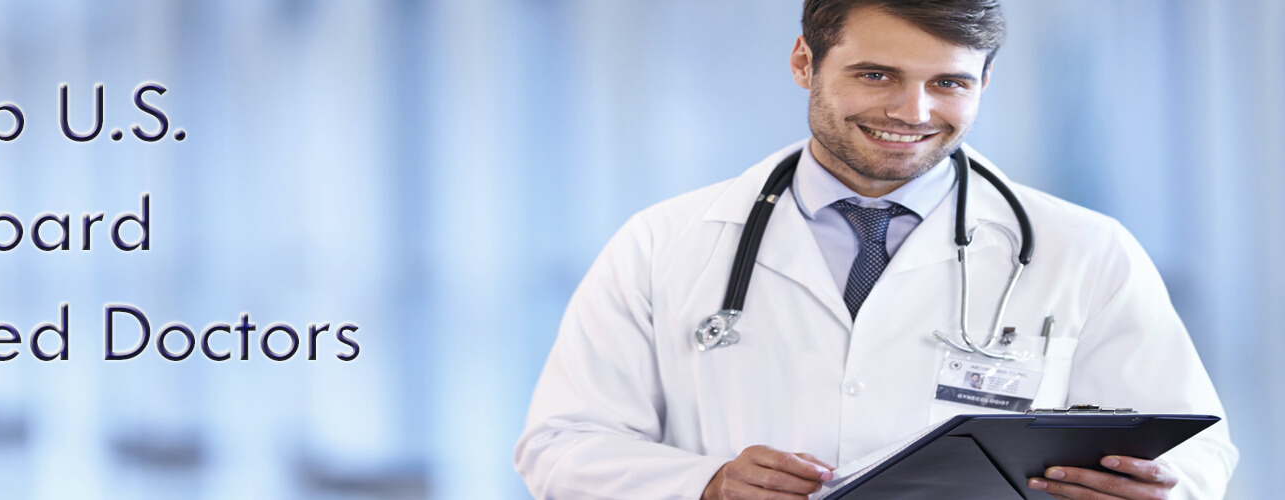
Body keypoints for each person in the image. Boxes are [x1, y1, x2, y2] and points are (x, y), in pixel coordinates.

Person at [513, 1, 1237, 499]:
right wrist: (702, 484)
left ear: (985, 82)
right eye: (876, 74)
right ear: (804, 61)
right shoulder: (663, 242)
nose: (911, 113)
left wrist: (1156, 491)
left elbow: (1198, 454)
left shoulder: (1083, 249)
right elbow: (560, 445)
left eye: (948, 82)